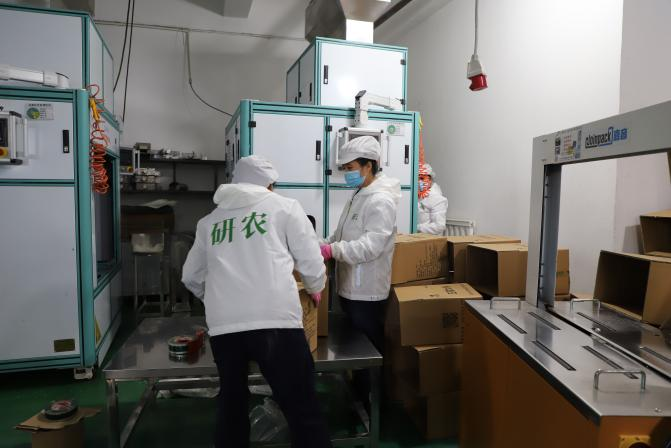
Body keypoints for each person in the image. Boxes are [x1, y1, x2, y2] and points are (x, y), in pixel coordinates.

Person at [182, 155, 332, 448]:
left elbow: (190, 276)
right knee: (301, 406)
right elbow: (312, 262)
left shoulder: (209, 222)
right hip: (276, 322)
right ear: (270, 184)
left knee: (232, 405)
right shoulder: (285, 208)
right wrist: (316, 287)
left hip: (225, 328)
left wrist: (217, 298)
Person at [320, 136, 401, 356]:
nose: (347, 173)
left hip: (366, 290)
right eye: (345, 168)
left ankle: (372, 380)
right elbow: (341, 233)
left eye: (351, 168)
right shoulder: (358, 194)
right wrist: (321, 243)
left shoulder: (381, 200)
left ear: (369, 165)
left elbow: (370, 246)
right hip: (350, 285)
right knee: (353, 347)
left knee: (367, 349)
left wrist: (332, 250)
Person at [417, 163, 448, 235]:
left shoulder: (437, 198)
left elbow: (439, 226)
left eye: (422, 178)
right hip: (416, 237)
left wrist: (416, 227)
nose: (419, 182)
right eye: (417, 179)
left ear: (430, 180)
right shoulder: (418, 196)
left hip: (429, 239)